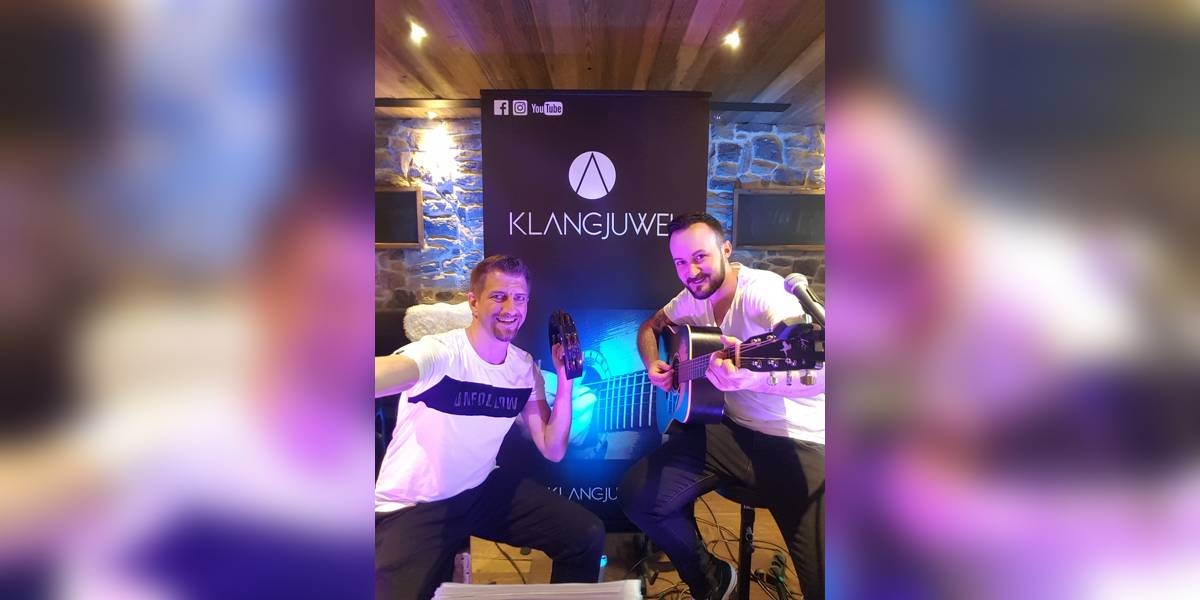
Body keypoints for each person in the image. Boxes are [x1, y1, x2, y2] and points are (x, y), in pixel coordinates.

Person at [619, 213, 826, 600]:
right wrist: (653, 364)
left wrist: (752, 379)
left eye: (700, 257)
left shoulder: (764, 293)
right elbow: (650, 327)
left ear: (726, 250)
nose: (691, 271)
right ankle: (711, 579)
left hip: (798, 441)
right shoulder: (691, 299)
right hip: (731, 432)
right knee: (639, 497)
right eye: (681, 262)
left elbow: (822, 374)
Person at [374, 255, 605, 600]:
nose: (511, 308)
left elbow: (553, 448)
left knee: (585, 534)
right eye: (499, 297)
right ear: (474, 302)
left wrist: (566, 380)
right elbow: (387, 372)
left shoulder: (523, 369)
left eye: (520, 298)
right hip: (416, 504)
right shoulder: (441, 353)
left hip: (480, 488)